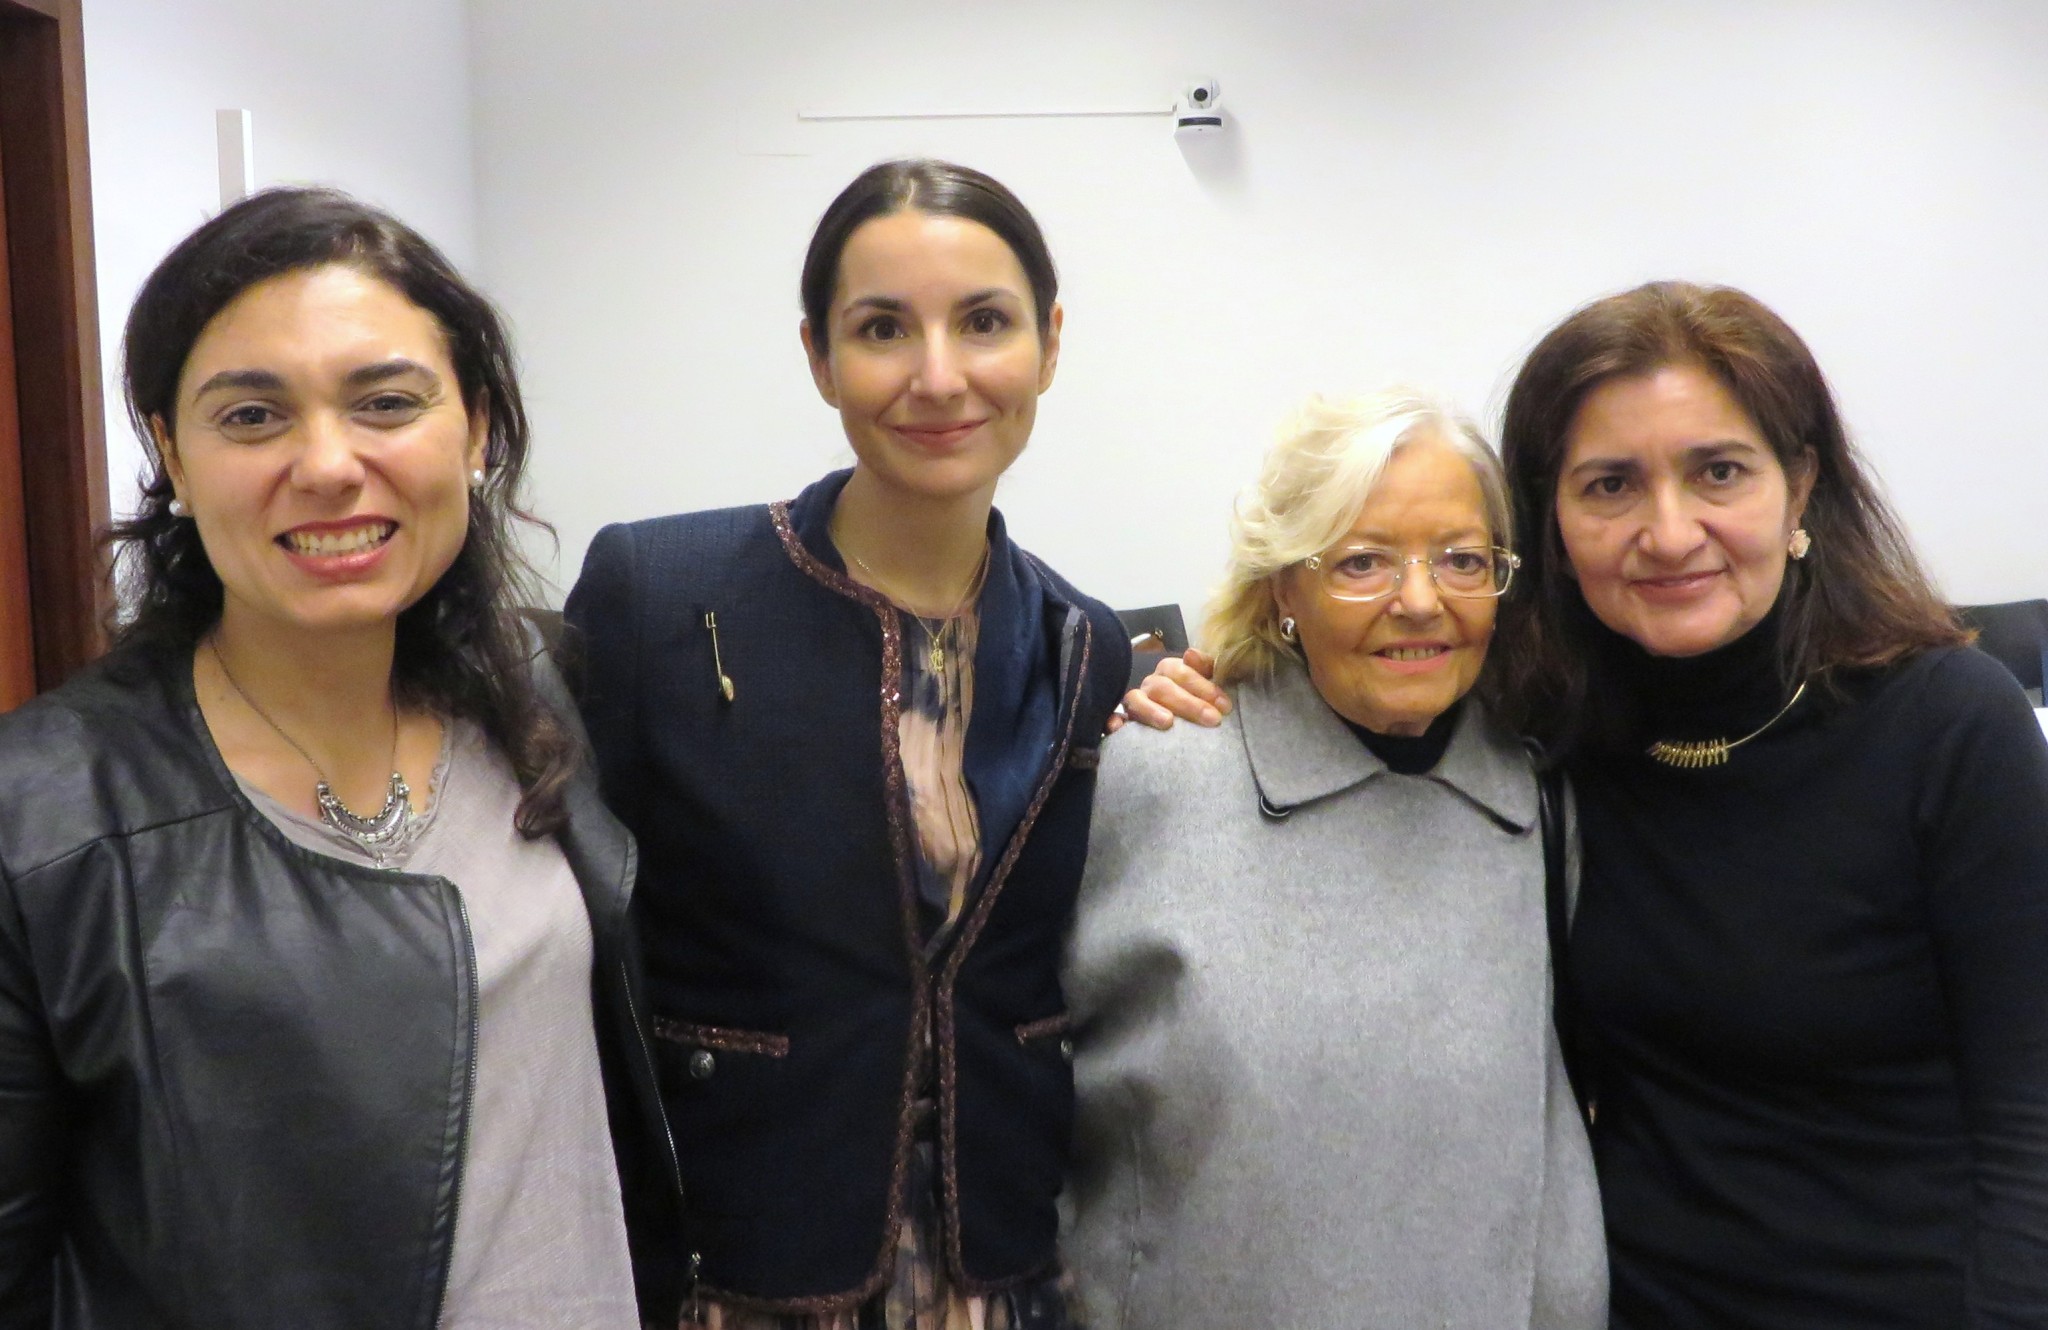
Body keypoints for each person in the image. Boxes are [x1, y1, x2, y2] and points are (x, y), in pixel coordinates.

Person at [1125, 282, 2048, 1327]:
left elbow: (2031, 1125)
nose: (1666, 531)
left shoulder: (1946, 725)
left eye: (1717, 472)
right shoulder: (1552, 735)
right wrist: (1193, 687)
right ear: (1551, 524)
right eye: (1609, 484)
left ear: (1799, 490)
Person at [0, 187, 681, 1328]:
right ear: (169, 447)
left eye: (386, 402)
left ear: (473, 428)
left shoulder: (537, 694)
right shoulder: (45, 816)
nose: (327, 464)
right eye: (252, 416)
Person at [563, 160, 1129, 1329]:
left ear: (1050, 344)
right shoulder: (659, 596)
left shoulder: (1085, 645)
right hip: (736, 1267)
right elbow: (566, 943)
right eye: (882, 328)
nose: (938, 376)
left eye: (983, 322)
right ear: (818, 355)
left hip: (1003, 1271)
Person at [1062, 390, 1605, 1329]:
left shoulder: (1542, 794)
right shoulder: (1149, 777)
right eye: (1362, 562)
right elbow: (1008, 1089)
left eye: (1463, 560)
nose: (1421, 601)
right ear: (1283, 587)